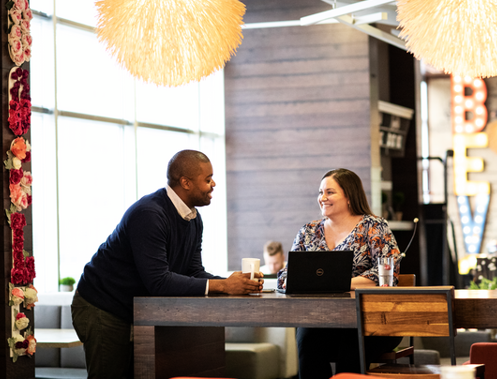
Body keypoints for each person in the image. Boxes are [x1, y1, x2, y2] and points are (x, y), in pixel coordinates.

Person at [72, 149, 263, 379]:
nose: (213, 184)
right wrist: (223, 286)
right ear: (186, 182)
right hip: (102, 305)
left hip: (138, 310)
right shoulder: (150, 214)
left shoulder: (193, 218)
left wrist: (234, 283)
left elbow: (194, 271)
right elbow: (159, 282)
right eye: (208, 179)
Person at [278, 168, 401, 379]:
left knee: (351, 344)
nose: (322, 198)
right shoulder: (308, 231)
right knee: (306, 339)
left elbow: (388, 271)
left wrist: (338, 282)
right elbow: (285, 276)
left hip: (370, 320)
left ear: (349, 196)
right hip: (322, 319)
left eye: (329, 192)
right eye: (320, 192)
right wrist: (293, 280)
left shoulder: (374, 227)